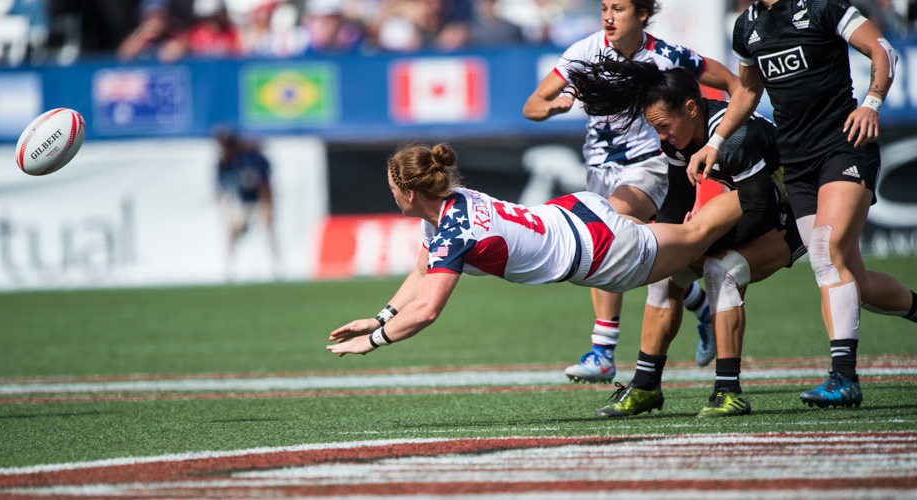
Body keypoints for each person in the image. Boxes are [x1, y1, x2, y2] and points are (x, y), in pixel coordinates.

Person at [687, 0, 917, 409]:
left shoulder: (822, 6)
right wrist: (714, 143)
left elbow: (883, 49)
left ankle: (844, 378)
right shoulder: (746, 26)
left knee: (828, 256)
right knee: (853, 284)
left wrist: (872, 102)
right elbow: (748, 92)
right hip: (796, 164)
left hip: (845, 147)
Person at [523, 0, 760, 383]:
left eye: (618, 7)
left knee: (602, 230)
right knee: (627, 249)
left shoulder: (665, 56)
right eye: (604, 7)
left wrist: (719, 138)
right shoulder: (583, 52)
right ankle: (698, 304)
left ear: (643, 14)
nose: (608, 16)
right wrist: (554, 106)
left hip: (649, 165)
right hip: (599, 169)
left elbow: (736, 84)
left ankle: (602, 351)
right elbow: (531, 106)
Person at [327, 143, 747, 358]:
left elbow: (427, 310)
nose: (391, 195)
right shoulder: (445, 203)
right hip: (579, 210)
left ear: (411, 191)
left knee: (698, 235)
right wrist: (379, 318)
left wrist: (374, 342)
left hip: (601, 250)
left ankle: (761, 189)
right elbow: (421, 274)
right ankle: (702, 302)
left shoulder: (454, 230)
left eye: (393, 189)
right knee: (687, 250)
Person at [565, 57, 806, 417]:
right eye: (655, 128)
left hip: (797, 214)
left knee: (723, 271)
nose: (662, 136)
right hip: (761, 203)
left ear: (691, 108)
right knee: (667, 272)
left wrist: (702, 247)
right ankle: (646, 386)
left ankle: (728, 392)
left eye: (663, 125)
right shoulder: (680, 139)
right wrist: (667, 246)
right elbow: (676, 201)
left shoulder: (732, 139)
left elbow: (763, 211)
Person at [213, 127, 276, 281]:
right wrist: (225, 211)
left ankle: (276, 268)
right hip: (241, 203)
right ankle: (228, 271)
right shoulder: (223, 164)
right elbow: (221, 190)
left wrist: (267, 206)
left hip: (258, 201)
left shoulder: (248, 159)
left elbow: (263, 184)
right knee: (232, 234)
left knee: (268, 232)